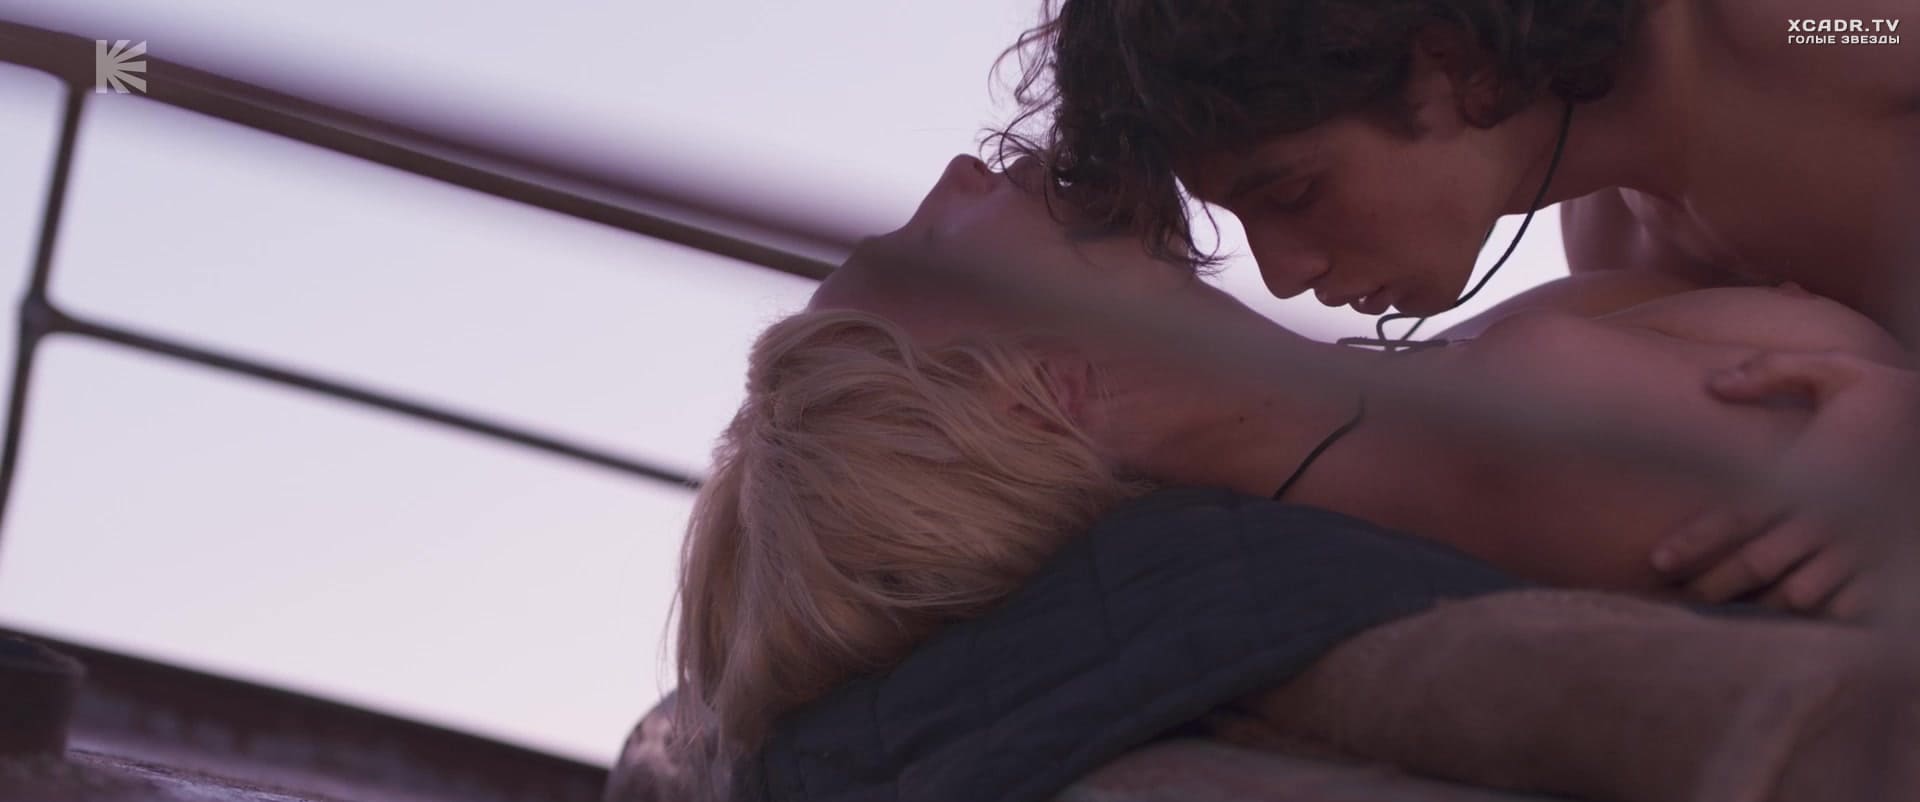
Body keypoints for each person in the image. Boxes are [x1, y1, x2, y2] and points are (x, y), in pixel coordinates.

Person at [665, 154, 1920, 799]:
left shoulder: (1454, 382)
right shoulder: (1523, 418)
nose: (959, 176)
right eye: (933, 243)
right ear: (1048, 394)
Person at [994, 0, 1920, 626]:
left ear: (1445, 61)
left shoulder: (1809, 25)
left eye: (1296, 193)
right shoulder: (1620, 247)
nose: (1282, 273)